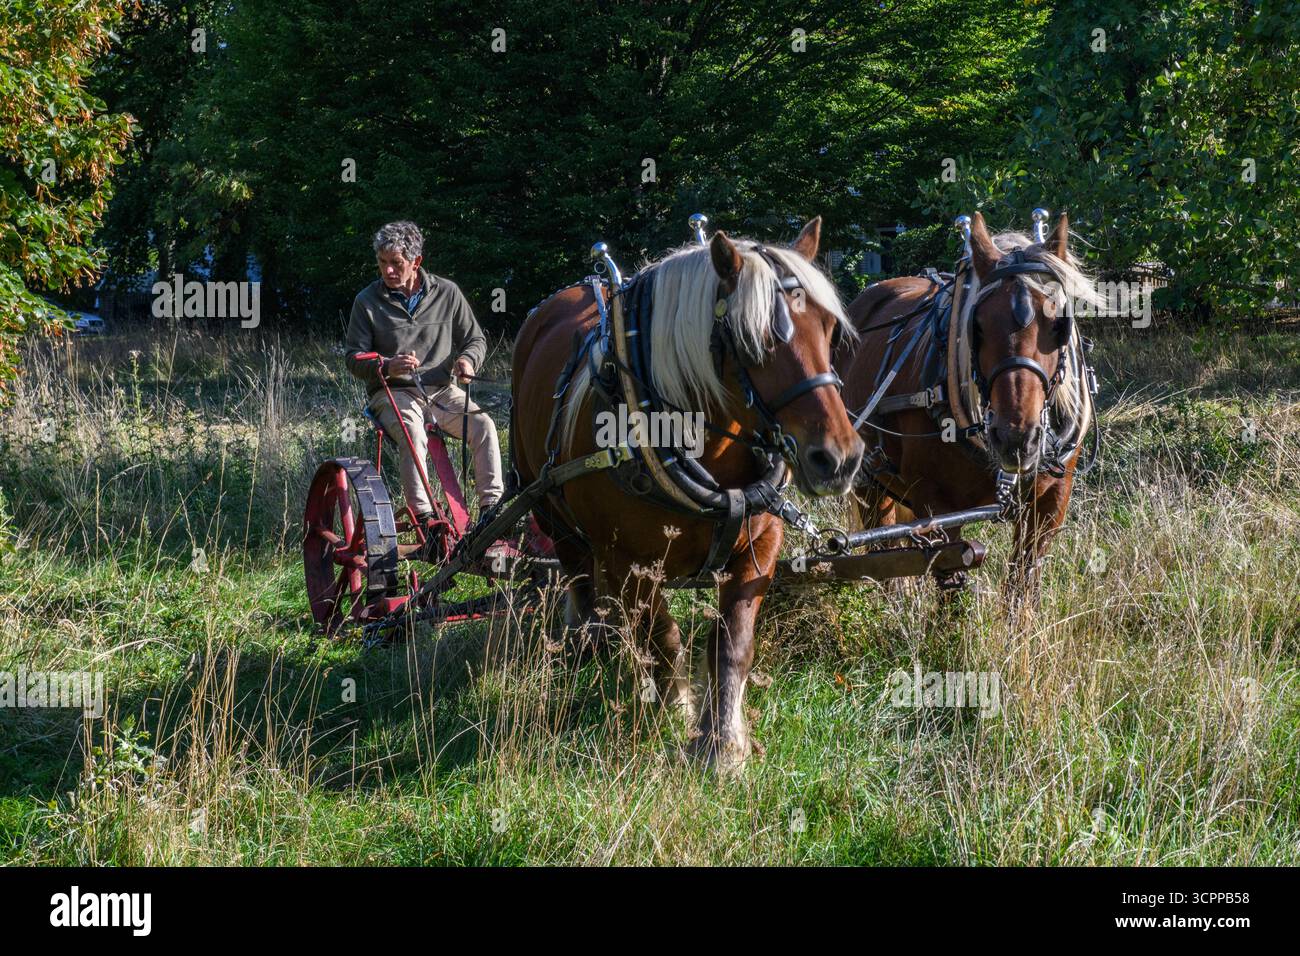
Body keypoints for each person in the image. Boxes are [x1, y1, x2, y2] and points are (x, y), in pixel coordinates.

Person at [344, 221, 504, 538]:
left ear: (416, 262)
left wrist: (466, 361)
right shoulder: (367, 301)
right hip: (392, 393)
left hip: (442, 391)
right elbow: (353, 358)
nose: (388, 271)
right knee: (412, 432)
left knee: (483, 424)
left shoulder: (447, 293)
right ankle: (426, 521)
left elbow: (475, 340)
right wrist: (388, 365)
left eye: (396, 263)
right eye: (382, 262)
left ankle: (491, 513)